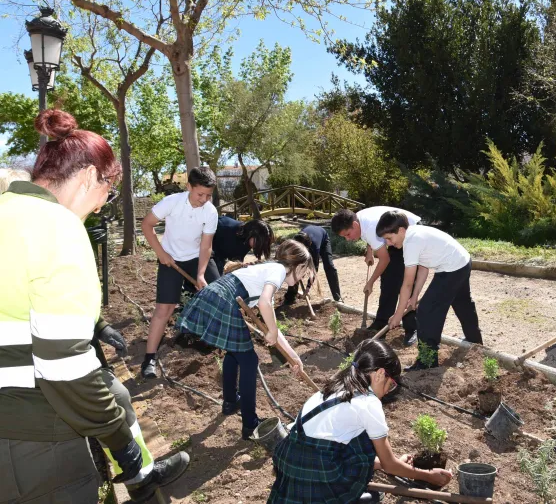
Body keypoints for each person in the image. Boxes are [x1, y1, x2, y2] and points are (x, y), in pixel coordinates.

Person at [0, 109, 144, 501]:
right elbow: (64, 367)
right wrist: (120, 440)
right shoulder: (58, 226)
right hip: (31, 440)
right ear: (87, 177)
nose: (100, 206)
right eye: (107, 191)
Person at [268, 339, 452, 503]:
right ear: (380, 374)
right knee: (365, 441)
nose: (388, 390)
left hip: (290, 464)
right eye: (391, 384)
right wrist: (428, 476)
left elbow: (335, 444)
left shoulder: (333, 388)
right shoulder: (368, 402)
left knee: (357, 437)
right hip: (318, 474)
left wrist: (392, 462)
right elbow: (390, 465)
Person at [176, 240, 311, 440]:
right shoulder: (278, 270)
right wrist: (271, 331)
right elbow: (265, 306)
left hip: (215, 296)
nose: (303, 277)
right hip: (223, 300)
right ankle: (250, 424)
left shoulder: (266, 272)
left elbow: (268, 315)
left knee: (235, 352)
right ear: (298, 266)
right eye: (305, 272)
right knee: (249, 360)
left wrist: (294, 356)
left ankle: (231, 402)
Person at [92, 318, 190, 502]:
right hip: (56, 361)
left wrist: (100, 326)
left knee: (118, 398)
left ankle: (140, 478)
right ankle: (139, 477)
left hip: (75, 353)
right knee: (112, 400)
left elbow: (78, 304)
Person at [377, 211, 483, 371]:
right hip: (462, 261)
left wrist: (398, 314)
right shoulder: (414, 234)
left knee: (427, 311)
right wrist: (414, 296)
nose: (388, 243)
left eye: (389, 238)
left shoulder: (411, 242)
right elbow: (423, 268)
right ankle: (475, 341)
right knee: (462, 303)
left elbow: (407, 283)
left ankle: (427, 361)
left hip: (452, 268)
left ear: (400, 231)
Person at [141, 167, 220, 378]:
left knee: (220, 296)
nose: (204, 199)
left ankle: (219, 343)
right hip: (170, 259)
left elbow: (206, 247)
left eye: (208, 195)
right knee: (164, 309)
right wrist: (161, 254)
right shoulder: (172, 202)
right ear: (189, 187)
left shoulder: (210, 211)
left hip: (196, 258)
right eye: (200, 194)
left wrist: (201, 274)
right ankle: (149, 358)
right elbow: (147, 225)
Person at [331, 207, 420, 344]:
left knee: (406, 283)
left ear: (355, 225)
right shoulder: (357, 219)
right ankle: (381, 322)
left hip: (409, 236)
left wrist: (370, 282)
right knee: (388, 281)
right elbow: (368, 235)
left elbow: (385, 259)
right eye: (344, 237)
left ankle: (412, 328)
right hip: (393, 237)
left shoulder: (369, 227)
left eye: (348, 234)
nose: (348, 239)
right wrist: (369, 251)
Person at [284, 225, 342, 304]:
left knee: (329, 266)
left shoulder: (314, 247)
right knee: (295, 268)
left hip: (323, 237)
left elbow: (314, 268)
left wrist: (307, 288)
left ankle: (337, 298)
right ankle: (290, 298)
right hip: (307, 234)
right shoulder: (294, 244)